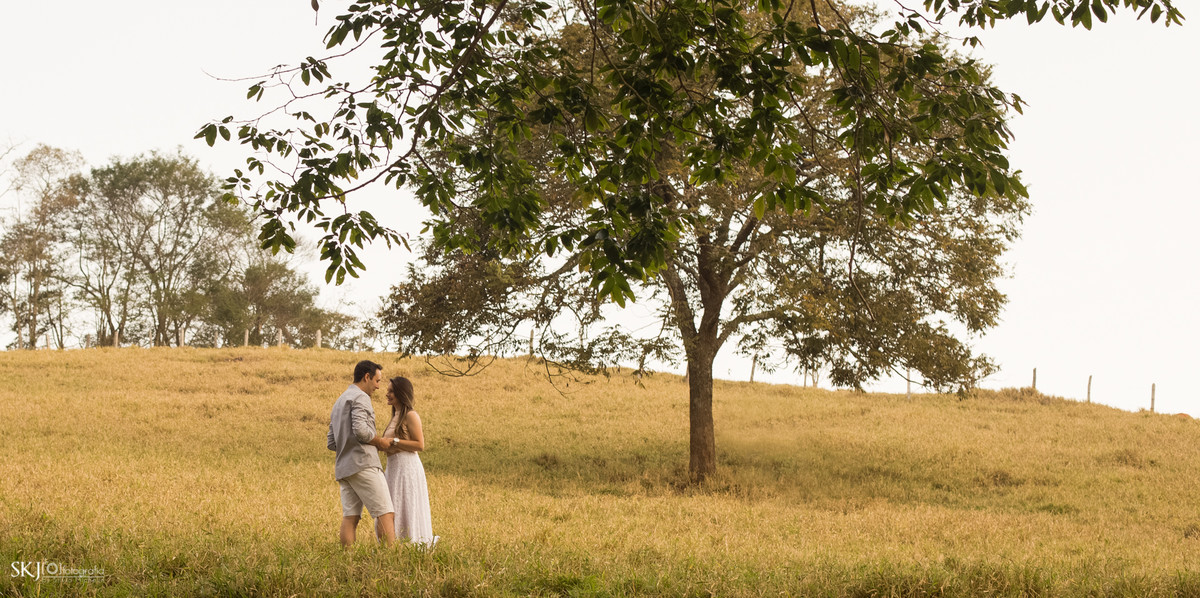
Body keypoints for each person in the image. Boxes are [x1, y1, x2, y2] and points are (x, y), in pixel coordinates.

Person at [327, 360, 401, 547]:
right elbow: (361, 431)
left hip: (344, 467)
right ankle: (390, 559)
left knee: (351, 517)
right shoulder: (360, 398)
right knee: (385, 512)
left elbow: (332, 441)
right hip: (364, 464)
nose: (378, 386)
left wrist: (348, 445)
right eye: (377, 381)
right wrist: (380, 442)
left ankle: (348, 560)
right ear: (366, 377)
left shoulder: (339, 401)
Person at [378, 376, 438, 548]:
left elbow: (419, 444)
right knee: (394, 505)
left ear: (400, 393)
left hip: (407, 468)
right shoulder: (395, 416)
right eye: (387, 390)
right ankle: (394, 543)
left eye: (391, 391)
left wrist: (394, 442)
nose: (387, 394)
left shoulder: (411, 415)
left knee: (407, 504)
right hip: (394, 468)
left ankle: (411, 543)